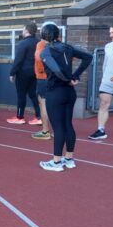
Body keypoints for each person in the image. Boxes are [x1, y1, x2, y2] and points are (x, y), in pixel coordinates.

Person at [39, 23, 93, 171]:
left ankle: (56, 162)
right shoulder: (67, 47)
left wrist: (69, 78)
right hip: (69, 93)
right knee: (68, 124)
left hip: (55, 92)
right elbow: (88, 57)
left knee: (58, 127)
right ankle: (69, 158)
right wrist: (75, 76)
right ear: (58, 35)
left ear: (44, 35)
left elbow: (56, 69)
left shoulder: (45, 51)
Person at [8, 22, 42, 125]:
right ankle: (39, 116)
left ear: (27, 30)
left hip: (23, 73)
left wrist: (12, 73)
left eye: (23, 29)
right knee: (33, 94)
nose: (22, 31)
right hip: (35, 72)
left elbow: (18, 60)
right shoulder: (39, 42)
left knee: (21, 94)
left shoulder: (23, 43)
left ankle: (20, 117)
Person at [32, 36, 52, 140]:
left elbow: (39, 57)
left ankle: (45, 131)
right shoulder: (59, 44)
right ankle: (58, 130)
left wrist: (41, 70)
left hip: (43, 78)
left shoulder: (41, 44)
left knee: (43, 104)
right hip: (54, 78)